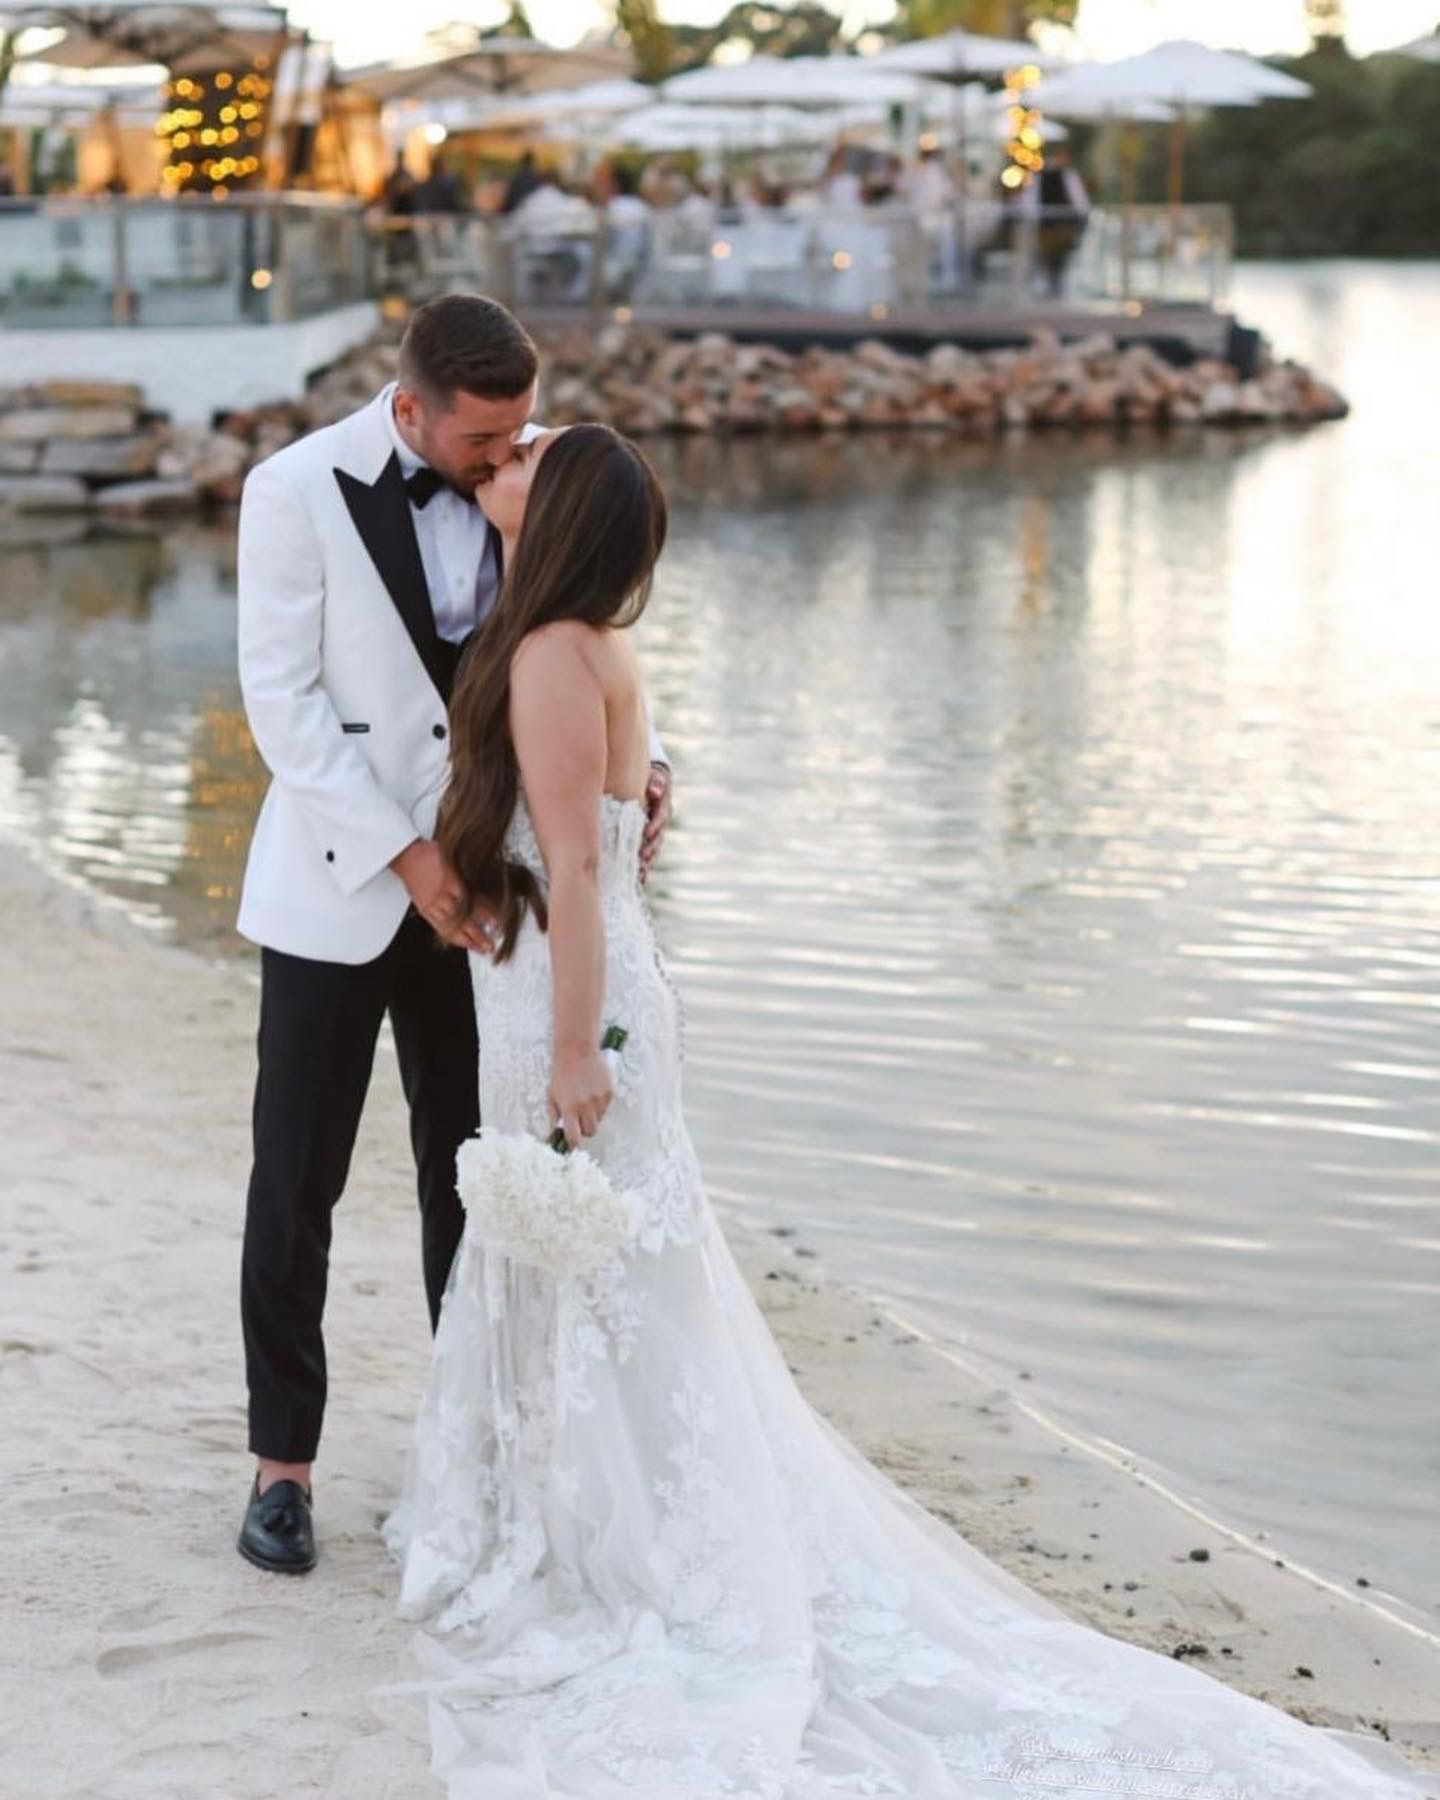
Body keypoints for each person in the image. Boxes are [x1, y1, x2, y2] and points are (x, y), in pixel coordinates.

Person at [374, 426, 1438, 1799]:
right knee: (619, 1282)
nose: (502, 460)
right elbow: (603, 837)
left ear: (559, 508)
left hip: (574, 1005)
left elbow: (577, 866)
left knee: (623, 1282)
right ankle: (591, 1522)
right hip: (555, 987)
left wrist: (576, 1046)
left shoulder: (549, 653)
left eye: (527, 455)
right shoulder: (573, 644)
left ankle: (635, 1549)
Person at [231, 293, 674, 1575]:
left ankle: (473, 1451)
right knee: (294, 1180)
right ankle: (282, 1467)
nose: (503, 459)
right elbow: (284, 704)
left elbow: (574, 644)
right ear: (410, 406)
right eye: (483, 440)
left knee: (470, 1180)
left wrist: (640, 774)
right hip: (340, 885)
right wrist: (407, 855)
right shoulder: (293, 489)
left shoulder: (523, 489)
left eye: (520, 434)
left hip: (491, 908)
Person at [1032, 143, 1091, 298]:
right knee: (1049, 256)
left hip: (1061, 222)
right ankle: (1051, 286)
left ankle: (1055, 286)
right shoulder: (1045, 174)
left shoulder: (1067, 175)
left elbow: (1079, 200)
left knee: (1058, 256)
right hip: (1049, 223)